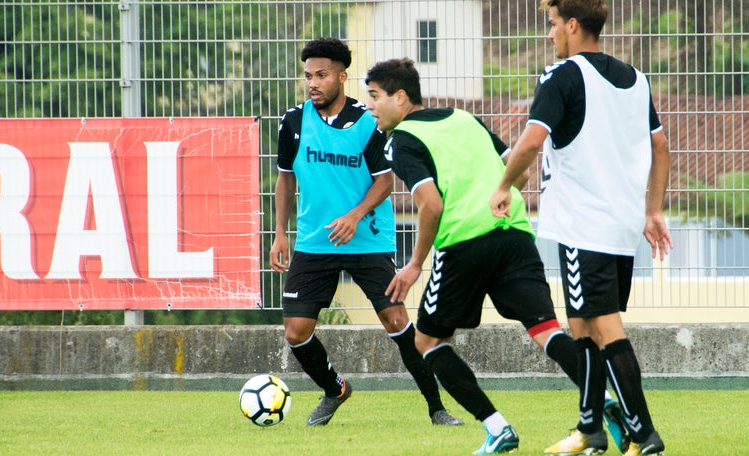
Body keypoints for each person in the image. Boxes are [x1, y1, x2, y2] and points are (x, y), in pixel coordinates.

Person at [365, 57, 626, 455]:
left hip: (465, 243)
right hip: (515, 234)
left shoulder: (401, 140)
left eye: (374, 96)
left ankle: (497, 427)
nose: (369, 106)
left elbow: (431, 205)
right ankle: (604, 402)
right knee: (546, 330)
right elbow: (516, 169)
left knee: (427, 340)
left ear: (400, 98)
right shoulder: (464, 117)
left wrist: (415, 263)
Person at [489, 1, 672, 455]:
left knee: (605, 327)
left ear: (572, 25)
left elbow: (532, 140)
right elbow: (660, 145)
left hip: (582, 226)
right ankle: (590, 429)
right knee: (583, 326)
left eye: (553, 25)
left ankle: (644, 434)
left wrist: (504, 185)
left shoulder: (562, 75)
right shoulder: (636, 79)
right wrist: (652, 212)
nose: (550, 34)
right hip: (620, 225)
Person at [269, 37, 462, 427]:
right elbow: (285, 180)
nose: (313, 83)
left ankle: (436, 408)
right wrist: (279, 233)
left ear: (342, 76)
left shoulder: (367, 121)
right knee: (296, 331)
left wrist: (354, 216)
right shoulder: (293, 122)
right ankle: (335, 389)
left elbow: (384, 182)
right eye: (308, 76)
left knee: (396, 321)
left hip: (367, 239)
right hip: (314, 241)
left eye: (322, 75)